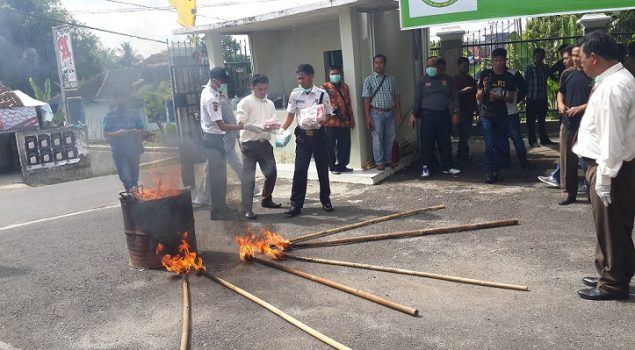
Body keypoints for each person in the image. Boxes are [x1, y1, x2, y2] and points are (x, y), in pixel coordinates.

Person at [572, 31, 635, 301]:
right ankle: (608, 270)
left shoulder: (613, 86)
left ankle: (613, 284)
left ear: (594, 58)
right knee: (607, 226)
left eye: (582, 57)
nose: (580, 63)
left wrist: (605, 176)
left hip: (610, 166)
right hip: (609, 164)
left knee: (613, 226)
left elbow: (612, 135)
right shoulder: (613, 79)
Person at [280, 64, 334, 218]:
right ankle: (296, 204)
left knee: (322, 169)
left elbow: (329, 114)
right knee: (300, 170)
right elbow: (290, 115)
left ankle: (326, 200)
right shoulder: (295, 95)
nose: (300, 81)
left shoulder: (322, 94)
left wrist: (321, 120)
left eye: (302, 78)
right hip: (303, 137)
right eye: (298, 78)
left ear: (311, 76)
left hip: (318, 135)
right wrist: (282, 130)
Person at [193, 86, 260, 207]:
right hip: (219, 142)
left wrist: (238, 139)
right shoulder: (209, 102)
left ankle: (203, 197)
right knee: (235, 165)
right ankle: (253, 187)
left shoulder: (222, 103)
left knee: (210, 168)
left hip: (224, 142)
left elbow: (231, 121)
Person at [200, 67, 250, 220]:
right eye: (221, 81)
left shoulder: (210, 92)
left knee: (219, 177)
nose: (222, 83)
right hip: (213, 140)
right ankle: (217, 211)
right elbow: (221, 126)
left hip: (214, 139)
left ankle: (220, 207)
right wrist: (240, 127)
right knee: (218, 178)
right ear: (215, 80)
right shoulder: (211, 98)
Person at [236, 74, 282, 220]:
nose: (263, 92)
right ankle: (247, 209)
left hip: (264, 144)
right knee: (249, 177)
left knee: (272, 173)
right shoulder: (245, 103)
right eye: (260, 89)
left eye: (265, 89)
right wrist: (258, 127)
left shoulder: (270, 103)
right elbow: (241, 122)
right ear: (253, 88)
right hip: (249, 145)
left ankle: (266, 199)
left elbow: (274, 121)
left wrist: (277, 130)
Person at [408, 56, 461, 178]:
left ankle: (447, 166)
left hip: (443, 115)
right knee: (427, 142)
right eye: (428, 66)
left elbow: (454, 97)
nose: (430, 68)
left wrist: (456, 112)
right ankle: (425, 167)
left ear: (439, 67)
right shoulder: (422, 80)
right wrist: (413, 114)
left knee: (445, 142)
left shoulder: (448, 80)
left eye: (432, 66)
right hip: (427, 116)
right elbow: (417, 99)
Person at [556, 44, 593, 205]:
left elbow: (597, 99)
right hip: (568, 124)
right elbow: (561, 91)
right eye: (573, 55)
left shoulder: (593, 75)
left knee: (589, 161)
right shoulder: (567, 73)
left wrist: (580, 108)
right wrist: (560, 103)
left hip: (587, 124)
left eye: (578, 55)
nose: (575, 58)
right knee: (568, 161)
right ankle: (570, 194)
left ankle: (593, 194)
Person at [476, 48, 516, 183]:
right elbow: (478, 95)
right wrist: (485, 88)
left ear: (505, 61)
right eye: (496, 61)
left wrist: (499, 97)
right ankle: (489, 172)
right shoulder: (485, 74)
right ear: (492, 61)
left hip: (501, 114)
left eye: (501, 60)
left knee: (500, 144)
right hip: (486, 114)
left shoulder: (509, 77)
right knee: (489, 144)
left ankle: (496, 171)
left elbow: (510, 98)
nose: (498, 63)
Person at [362, 54, 402, 170]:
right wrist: (367, 117)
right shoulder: (369, 80)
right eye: (376, 63)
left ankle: (388, 160)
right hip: (376, 113)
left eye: (381, 63)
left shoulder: (392, 79)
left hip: (390, 112)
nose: (378, 65)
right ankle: (379, 161)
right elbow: (366, 99)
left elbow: (397, 97)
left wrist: (398, 114)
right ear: (373, 64)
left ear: (385, 64)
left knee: (390, 136)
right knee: (377, 138)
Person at [103, 92, 145, 192]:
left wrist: (137, 131)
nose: (122, 100)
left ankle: (136, 197)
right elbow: (105, 134)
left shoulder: (133, 113)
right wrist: (117, 133)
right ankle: (131, 192)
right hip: (119, 151)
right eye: (119, 98)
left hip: (133, 149)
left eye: (123, 97)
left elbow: (141, 129)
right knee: (125, 176)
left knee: (135, 176)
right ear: (116, 99)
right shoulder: (109, 115)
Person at [322, 65, 355, 174]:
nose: (335, 76)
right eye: (332, 74)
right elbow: (321, 104)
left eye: (337, 73)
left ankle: (342, 165)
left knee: (345, 144)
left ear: (340, 74)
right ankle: (331, 166)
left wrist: (351, 119)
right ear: (329, 75)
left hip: (344, 121)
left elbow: (348, 103)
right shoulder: (324, 88)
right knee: (329, 145)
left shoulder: (345, 87)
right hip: (330, 122)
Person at [525, 48, 556, 147]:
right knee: (531, 122)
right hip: (532, 99)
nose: (540, 58)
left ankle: (544, 139)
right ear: (534, 56)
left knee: (542, 121)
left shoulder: (545, 68)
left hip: (542, 99)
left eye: (542, 56)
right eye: (538, 56)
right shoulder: (529, 68)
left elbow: (552, 77)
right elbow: (525, 83)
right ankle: (532, 140)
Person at [502, 66, 531, 168]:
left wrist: (516, 100)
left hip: (511, 111)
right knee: (503, 138)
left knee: (516, 137)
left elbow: (523, 89)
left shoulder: (513, 73)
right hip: (500, 112)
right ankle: (506, 160)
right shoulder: (494, 73)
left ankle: (522, 160)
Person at [453, 56, 478, 161]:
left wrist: (476, 108)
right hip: (460, 110)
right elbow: (452, 95)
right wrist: (463, 91)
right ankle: (462, 153)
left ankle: (463, 152)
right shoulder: (454, 80)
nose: (466, 68)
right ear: (459, 66)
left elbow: (474, 95)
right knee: (463, 132)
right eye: (464, 66)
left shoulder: (470, 79)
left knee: (466, 133)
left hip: (469, 109)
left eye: (467, 66)